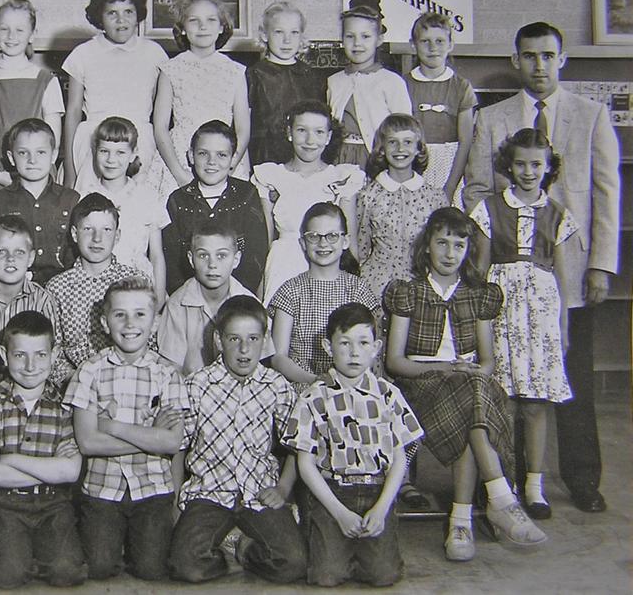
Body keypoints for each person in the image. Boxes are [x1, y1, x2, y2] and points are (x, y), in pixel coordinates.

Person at [464, 21, 620, 514]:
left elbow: (606, 194)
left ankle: (581, 478)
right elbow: (475, 189)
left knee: (570, 375)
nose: (539, 66)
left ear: (562, 58)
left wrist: (601, 265)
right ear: (515, 60)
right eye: (529, 56)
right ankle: (511, 481)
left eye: (548, 56)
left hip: (569, 273)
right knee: (508, 382)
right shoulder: (494, 118)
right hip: (511, 275)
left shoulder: (591, 115)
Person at [384, 207, 546, 562]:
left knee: (471, 393)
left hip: (469, 384)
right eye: (441, 243)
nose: (449, 252)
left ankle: (464, 522)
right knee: (471, 402)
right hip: (421, 384)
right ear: (427, 246)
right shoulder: (407, 293)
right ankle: (495, 502)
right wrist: (444, 367)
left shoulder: (478, 295)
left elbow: (487, 362)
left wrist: (470, 371)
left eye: (459, 245)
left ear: (468, 250)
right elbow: (394, 361)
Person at [470, 129, 578, 519]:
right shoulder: (488, 209)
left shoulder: (558, 213)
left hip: (541, 314)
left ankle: (535, 484)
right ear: (507, 165)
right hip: (501, 308)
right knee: (503, 401)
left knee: (535, 404)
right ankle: (503, 485)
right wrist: (477, 321)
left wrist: (563, 327)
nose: (528, 172)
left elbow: (563, 278)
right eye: (520, 164)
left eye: (536, 164)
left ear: (548, 167)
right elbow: (480, 271)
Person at [169, 295, 306, 584]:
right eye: (234, 339)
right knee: (186, 565)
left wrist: (282, 489)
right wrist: (174, 498)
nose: (244, 349)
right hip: (209, 494)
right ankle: (225, 544)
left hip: (258, 493)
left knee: (293, 563)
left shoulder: (275, 385)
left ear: (264, 340)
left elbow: (297, 443)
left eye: (253, 339)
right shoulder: (196, 385)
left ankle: (244, 548)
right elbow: (178, 448)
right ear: (219, 341)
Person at [286, 303, 424, 587]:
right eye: (344, 343)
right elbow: (305, 463)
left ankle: (362, 550)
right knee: (326, 576)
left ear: (376, 347)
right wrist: (339, 513)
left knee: (384, 575)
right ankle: (328, 541)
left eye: (363, 343)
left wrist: (383, 507)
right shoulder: (314, 397)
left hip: (377, 491)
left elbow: (400, 458)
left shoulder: (387, 394)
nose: (354, 352)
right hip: (333, 494)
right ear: (327, 346)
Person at [62, 275, 187, 581]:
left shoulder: (167, 373)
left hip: (153, 489)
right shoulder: (90, 370)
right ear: (105, 323)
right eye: (120, 315)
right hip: (103, 489)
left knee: (151, 569)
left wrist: (111, 426)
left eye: (140, 314)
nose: (130, 324)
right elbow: (88, 442)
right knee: (100, 567)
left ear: (155, 323)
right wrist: (150, 437)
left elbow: (173, 442)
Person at [0, 311, 87, 588]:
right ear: (4, 354)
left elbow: (71, 472)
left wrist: (10, 459)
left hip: (53, 504)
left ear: (55, 353)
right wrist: (51, 470)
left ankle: (32, 552)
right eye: (20, 355)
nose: (30, 365)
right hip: (3, 503)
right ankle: (16, 552)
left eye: (40, 355)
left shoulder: (64, 407)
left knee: (68, 572)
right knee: (6, 576)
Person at [251, 99, 366, 303]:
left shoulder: (342, 178)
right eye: (302, 130)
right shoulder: (271, 176)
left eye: (319, 132)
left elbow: (350, 245)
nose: (310, 140)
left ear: (329, 137)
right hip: (282, 267)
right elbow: (266, 243)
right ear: (289, 132)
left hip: (327, 268)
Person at [63, 0, 167, 190]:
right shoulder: (83, 54)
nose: (121, 20)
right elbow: (73, 111)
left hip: (140, 141)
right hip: (95, 141)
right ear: (100, 18)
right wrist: (68, 167)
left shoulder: (154, 53)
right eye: (112, 13)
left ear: (138, 14)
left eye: (128, 11)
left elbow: (159, 110)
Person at [149, 0, 251, 199]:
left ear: (222, 26)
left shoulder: (235, 71)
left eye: (211, 20)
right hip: (179, 157)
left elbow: (242, 127)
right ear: (183, 29)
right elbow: (160, 127)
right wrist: (178, 173)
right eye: (194, 21)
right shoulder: (171, 69)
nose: (203, 27)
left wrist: (230, 164)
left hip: (223, 155)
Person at [269, 202, 379, 392]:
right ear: (303, 243)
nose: (323, 243)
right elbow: (278, 357)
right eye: (314, 237)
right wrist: (315, 380)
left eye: (332, 236)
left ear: (345, 242)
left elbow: (369, 351)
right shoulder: (290, 291)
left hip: (351, 386)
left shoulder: (358, 289)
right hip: (303, 387)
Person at [0, 0, 64, 196]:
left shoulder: (47, 81)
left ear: (33, 34)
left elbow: (54, 139)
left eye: (19, 30)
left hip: (37, 178)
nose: (11, 36)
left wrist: (33, 174)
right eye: (4, 29)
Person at [46, 193, 147, 373]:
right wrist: (76, 381)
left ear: (117, 236)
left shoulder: (135, 282)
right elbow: (52, 351)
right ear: (75, 235)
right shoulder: (57, 288)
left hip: (127, 379)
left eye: (106, 230)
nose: (97, 238)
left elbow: (149, 344)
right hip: (73, 384)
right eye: (88, 229)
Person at [163, 120, 268, 295]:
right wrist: (186, 295)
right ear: (191, 156)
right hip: (189, 296)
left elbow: (257, 253)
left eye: (221, 155)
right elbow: (171, 261)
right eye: (203, 153)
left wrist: (235, 295)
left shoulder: (246, 195)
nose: (212, 162)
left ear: (233, 158)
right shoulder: (178, 200)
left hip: (237, 295)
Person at [0, 215, 62, 397]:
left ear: (30, 258)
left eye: (19, 252)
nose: (10, 259)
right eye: (1, 252)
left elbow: (52, 354)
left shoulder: (42, 300)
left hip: (33, 387)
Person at [158, 221, 272, 376]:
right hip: (191, 391)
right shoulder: (177, 305)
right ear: (191, 259)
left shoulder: (250, 305)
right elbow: (170, 368)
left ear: (236, 259)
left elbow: (261, 365)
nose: (212, 264)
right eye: (203, 255)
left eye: (221, 256)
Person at [355, 113, 446, 298]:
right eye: (392, 142)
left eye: (407, 142)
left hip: (421, 282)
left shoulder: (434, 197)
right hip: (377, 283)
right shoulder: (368, 196)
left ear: (419, 148)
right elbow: (361, 248)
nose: (400, 149)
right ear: (382, 148)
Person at [0, 118, 80, 285]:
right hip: (13, 288)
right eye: (23, 153)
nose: (32, 160)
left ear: (53, 155)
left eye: (40, 152)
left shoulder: (71, 200)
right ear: (11, 158)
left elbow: (77, 256)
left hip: (64, 288)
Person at [77, 116, 167, 299]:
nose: (111, 159)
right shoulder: (84, 195)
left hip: (138, 287)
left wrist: (158, 301)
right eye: (104, 151)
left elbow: (157, 256)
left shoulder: (147, 196)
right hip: (95, 286)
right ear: (95, 151)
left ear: (133, 154)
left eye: (120, 152)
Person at [326, 2, 411, 170]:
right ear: (342, 39)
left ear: (379, 40)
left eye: (365, 36)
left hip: (374, 159)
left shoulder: (391, 82)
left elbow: (404, 128)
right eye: (350, 36)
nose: (357, 43)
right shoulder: (334, 81)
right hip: (339, 157)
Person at [405, 12, 478, 204]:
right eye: (425, 41)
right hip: (413, 163)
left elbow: (466, 141)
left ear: (450, 44)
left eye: (439, 41)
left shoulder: (461, 87)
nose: (433, 48)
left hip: (451, 165)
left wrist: (450, 186)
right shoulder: (403, 84)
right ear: (413, 45)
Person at [246, 1, 325, 166]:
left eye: (294, 32)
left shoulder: (311, 75)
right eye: (279, 32)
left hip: (304, 156)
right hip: (265, 156)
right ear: (265, 35)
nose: (287, 40)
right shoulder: (255, 74)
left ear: (302, 36)